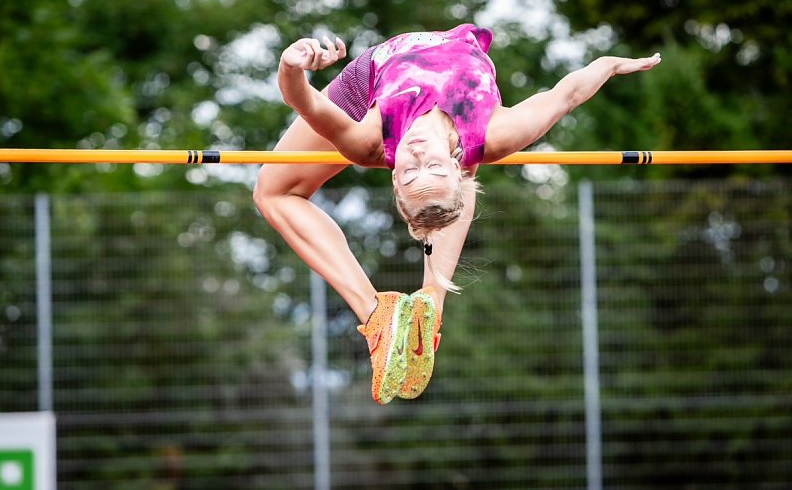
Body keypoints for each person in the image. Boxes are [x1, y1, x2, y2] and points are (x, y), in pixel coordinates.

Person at [253, 23, 661, 404]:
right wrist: (607, 65)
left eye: (410, 171)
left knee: (273, 192)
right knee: (468, 163)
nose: (417, 157)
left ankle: (377, 315)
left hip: (370, 81)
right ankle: (430, 305)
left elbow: (301, 99)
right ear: (453, 161)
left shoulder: (367, 140)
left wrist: (292, 65)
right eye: (430, 166)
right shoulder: (495, 134)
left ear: (394, 179)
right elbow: (567, 94)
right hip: (460, 73)